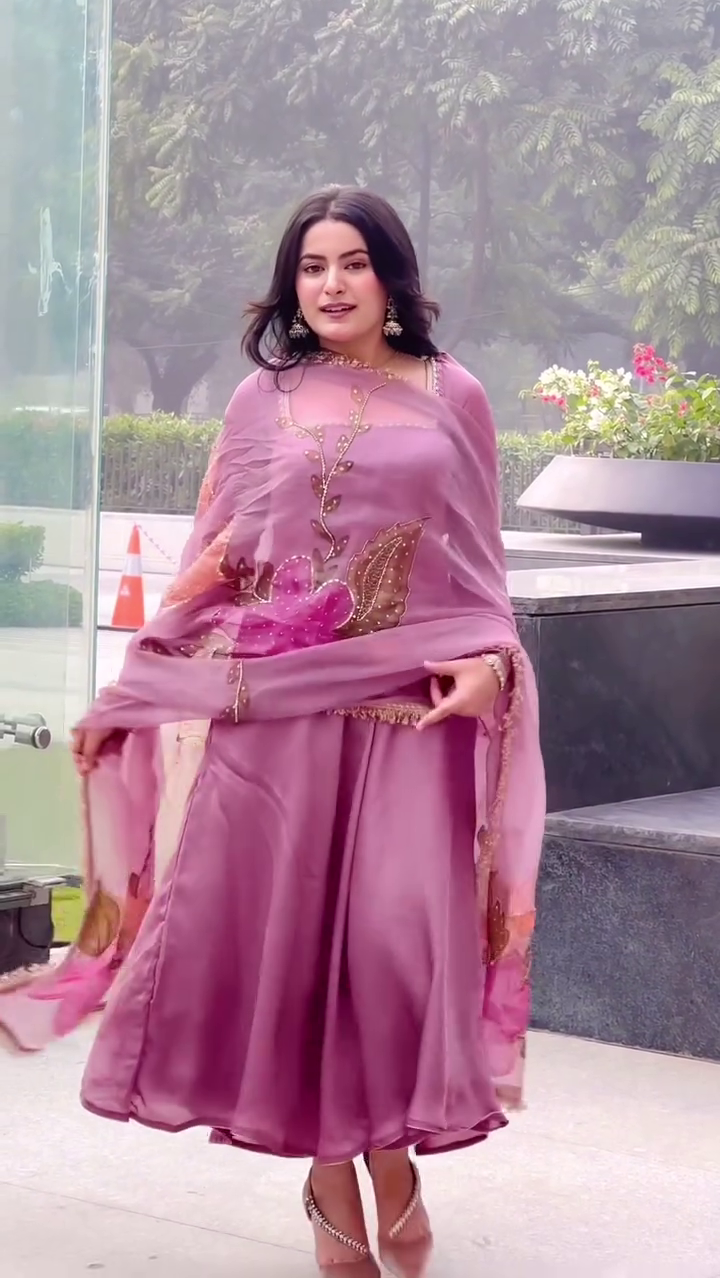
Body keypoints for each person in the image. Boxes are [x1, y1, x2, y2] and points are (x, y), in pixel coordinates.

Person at [0, 187, 545, 1277]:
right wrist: (144, 681)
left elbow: (482, 569)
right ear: (291, 286)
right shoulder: (264, 399)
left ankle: (391, 1155)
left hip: (410, 716)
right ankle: (334, 1179)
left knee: (391, 950)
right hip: (276, 718)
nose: (331, 285)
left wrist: (494, 665)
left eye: (352, 263)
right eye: (311, 266)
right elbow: (218, 558)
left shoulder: (457, 394)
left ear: (391, 276)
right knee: (291, 957)